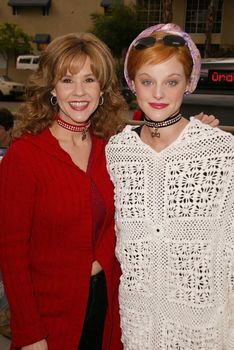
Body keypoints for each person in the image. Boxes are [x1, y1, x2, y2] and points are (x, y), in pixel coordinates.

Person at [106, 23, 234, 349]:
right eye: (147, 81)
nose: (159, 94)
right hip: (138, 324)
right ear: (131, 83)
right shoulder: (117, 152)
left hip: (202, 329)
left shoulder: (219, 152)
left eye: (171, 82)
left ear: (188, 83)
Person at [0, 32, 128, 350]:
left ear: (103, 90)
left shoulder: (112, 148)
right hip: (50, 316)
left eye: (90, 79)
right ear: (52, 89)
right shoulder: (25, 155)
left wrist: (198, 131)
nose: (80, 92)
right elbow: (11, 253)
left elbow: (163, 148)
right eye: (68, 80)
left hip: (107, 308)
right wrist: (30, 333)